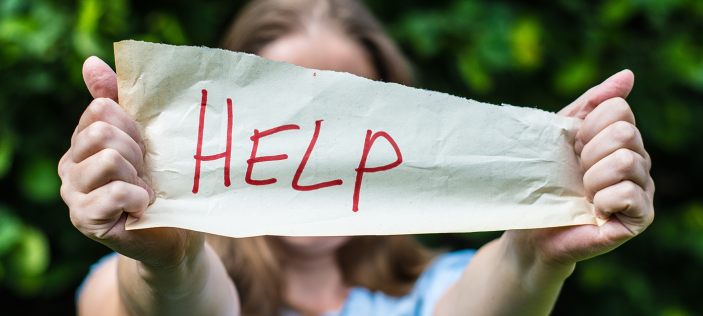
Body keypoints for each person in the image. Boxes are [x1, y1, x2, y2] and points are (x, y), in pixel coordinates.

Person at [59, 0, 655, 315]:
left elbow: (502, 287)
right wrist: (170, 262)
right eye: (282, 107)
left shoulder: (434, 289)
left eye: (350, 109)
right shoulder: (132, 281)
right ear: (220, 121)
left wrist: (535, 247)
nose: (317, 146)